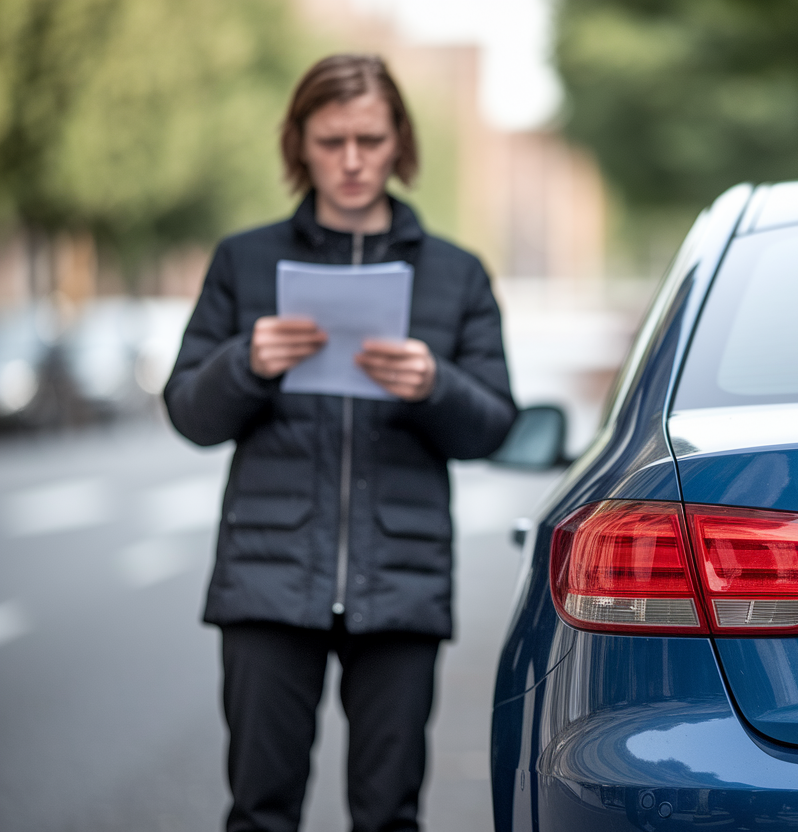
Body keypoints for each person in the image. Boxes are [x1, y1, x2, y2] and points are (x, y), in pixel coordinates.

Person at [164, 54, 516, 832]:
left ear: (399, 142)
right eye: (331, 141)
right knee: (260, 811)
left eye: (369, 139)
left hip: (401, 584)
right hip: (268, 581)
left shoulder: (456, 275)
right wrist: (246, 363)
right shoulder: (244, 261)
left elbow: (493, 423)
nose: (351, 161)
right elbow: (189, 412)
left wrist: (434, 384)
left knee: (388, 814)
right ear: (299, 144)